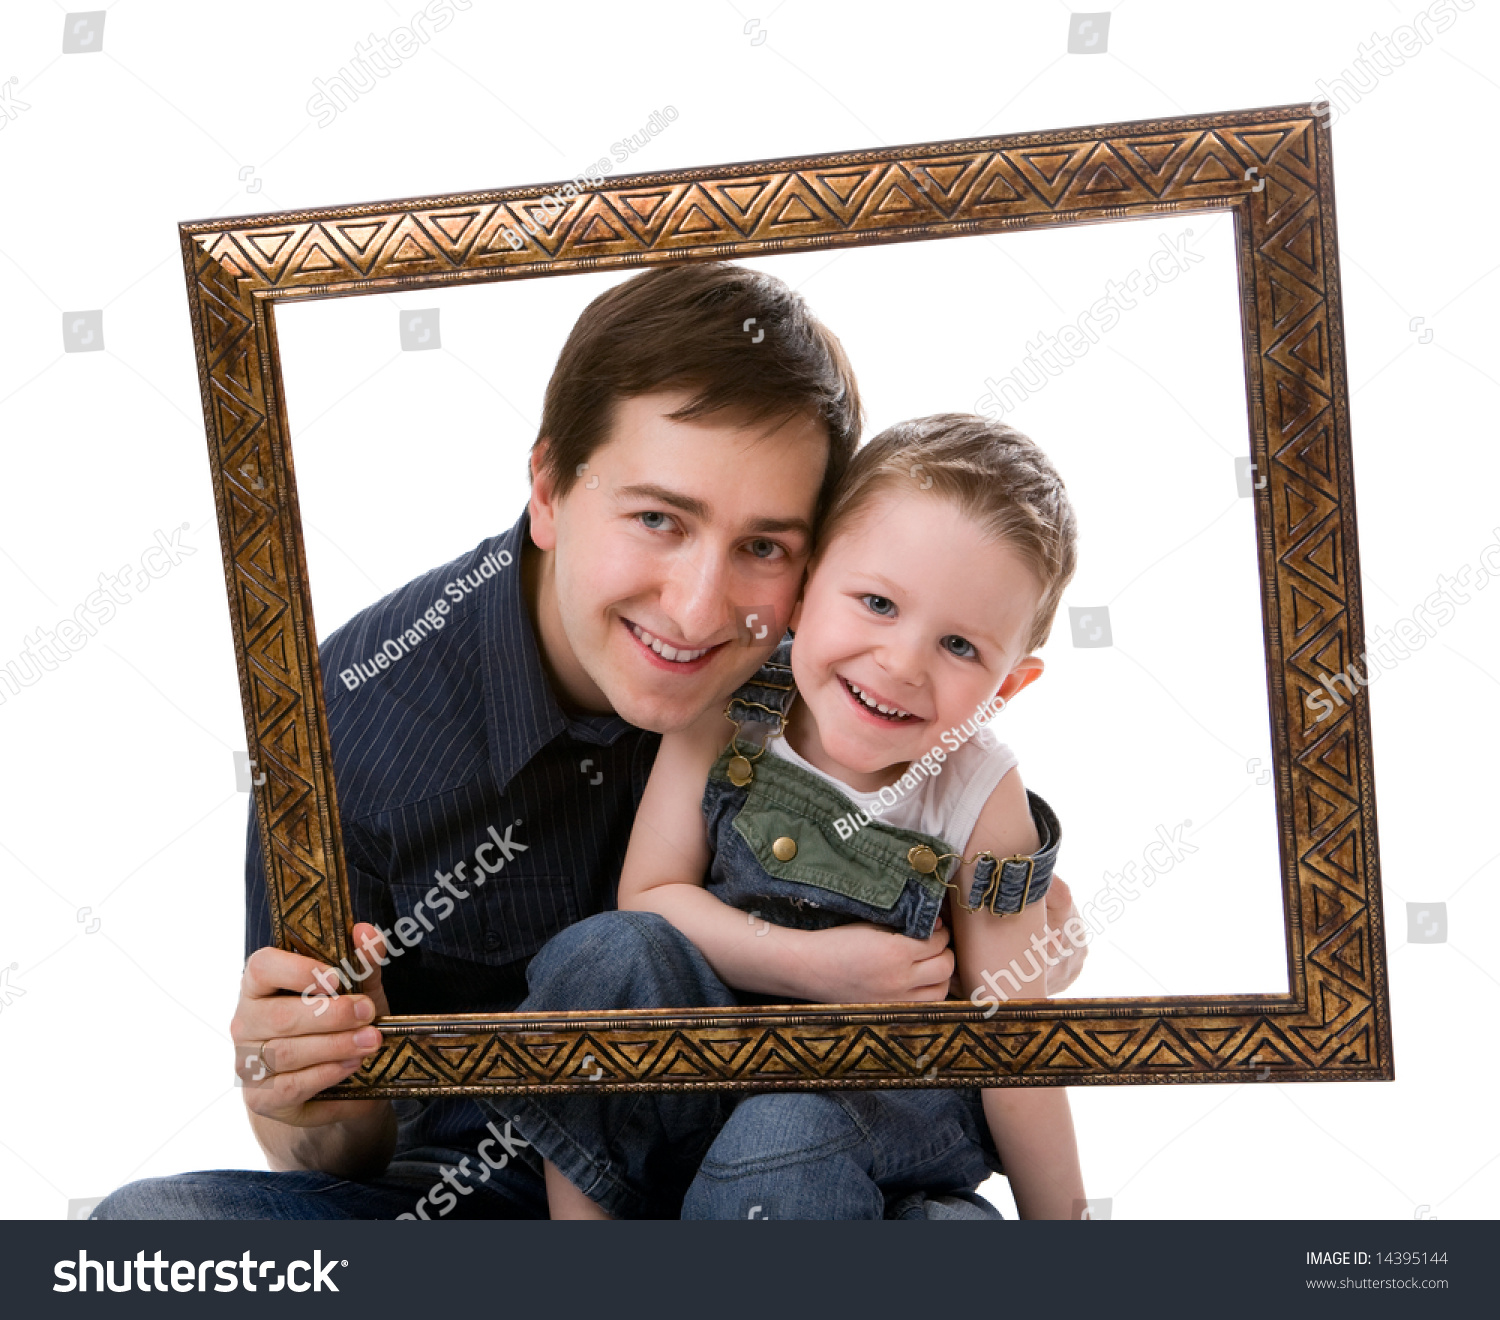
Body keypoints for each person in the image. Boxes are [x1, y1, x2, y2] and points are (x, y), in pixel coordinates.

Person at [93, 265, 1085, 1221]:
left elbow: (991, 919)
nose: (698, 610)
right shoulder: (352, 717)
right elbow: (341, 1157)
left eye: (765, 547)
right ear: (551, 487)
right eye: (658, 518)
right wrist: (296, 1086)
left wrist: (1020, 935)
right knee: (149, 1232)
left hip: (807, 1168)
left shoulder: (841, 649)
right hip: (497, 1189)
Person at [519, 413, 1086, 1220]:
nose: (901, 663)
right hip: (718, 1068)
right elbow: (648, 896)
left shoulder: (977, 791)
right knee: (604, 957)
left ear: (1007, 688)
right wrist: (819, 969)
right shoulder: (731, 708)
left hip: (887, 1104)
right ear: (806, 587)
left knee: (783, 1135)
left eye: (960, 647)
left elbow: (1011, 1043)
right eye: (877, 603)